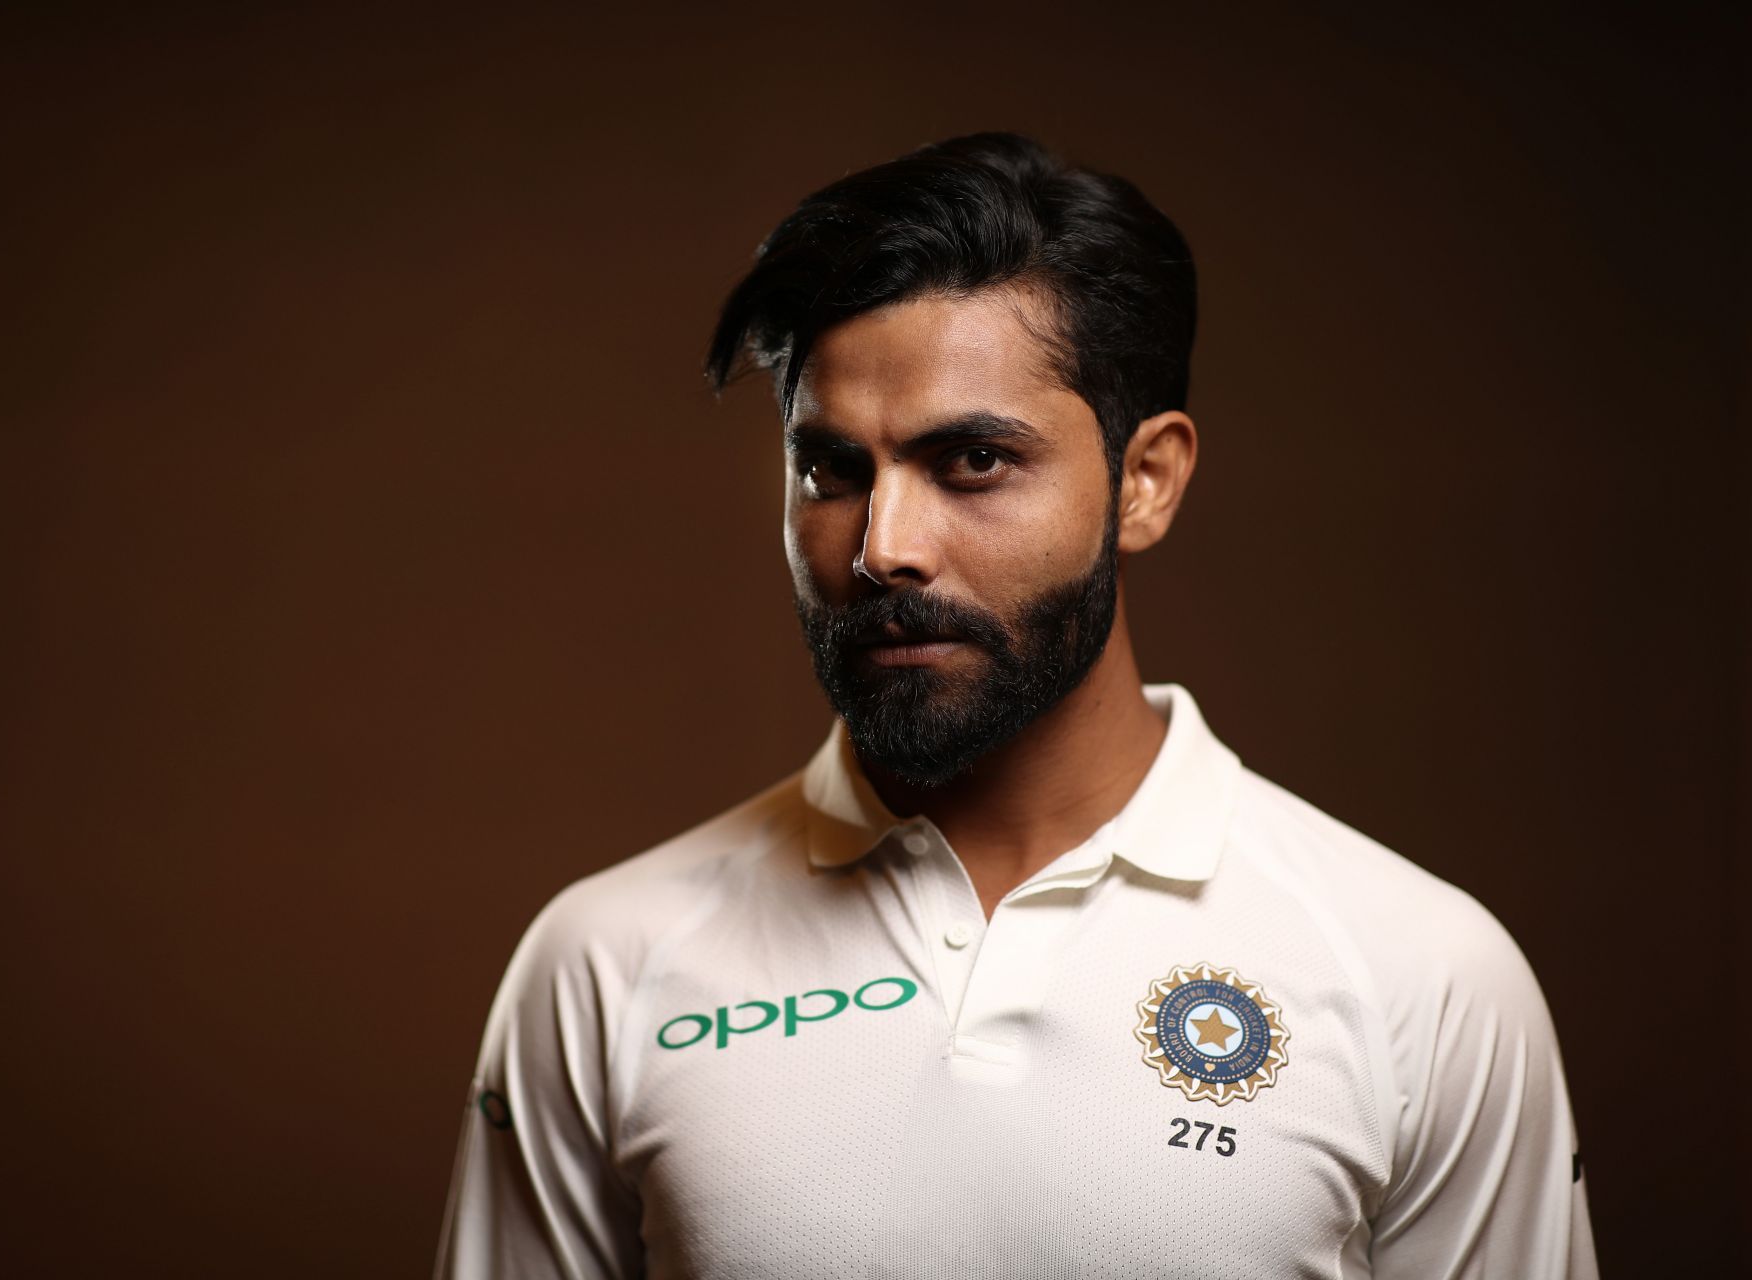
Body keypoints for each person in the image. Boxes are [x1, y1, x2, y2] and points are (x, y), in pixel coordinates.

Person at [432, 132, 1598, 1278]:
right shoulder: (605, 963)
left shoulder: (1421, 974)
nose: (883, 547)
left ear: (1147, 480)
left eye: (973, 460)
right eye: (830, 471)